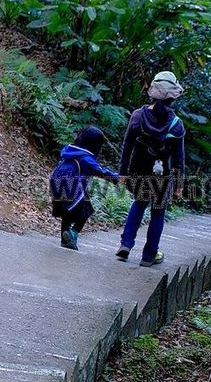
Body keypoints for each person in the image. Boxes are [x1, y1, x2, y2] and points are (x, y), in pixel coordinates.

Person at [116, 71, 186, 266]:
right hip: (161, 175)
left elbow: (127, 146)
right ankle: (149, 255)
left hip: (138, 170)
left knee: (138, 204)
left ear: (152, 92)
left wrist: (123, 172)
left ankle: (126, 245)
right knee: (158, 212)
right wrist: (179, 184)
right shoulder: (176, 125)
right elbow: (179, 158)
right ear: (173, 97)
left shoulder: (137, 116)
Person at [49, 125, 120, 250]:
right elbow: (100, 171)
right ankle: (73, 233)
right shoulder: (86, 158)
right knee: (86, 211)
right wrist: (115, 177)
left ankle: (64, 240)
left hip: (58, 186)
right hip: (75, 189)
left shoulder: (68, 151)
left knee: (67, 213)